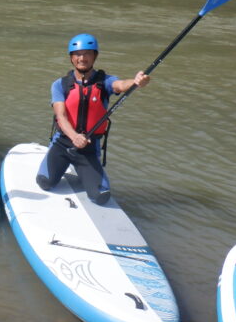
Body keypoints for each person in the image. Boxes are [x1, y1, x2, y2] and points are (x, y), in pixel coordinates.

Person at [35, 33, 151, 205]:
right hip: (63, 144)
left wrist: (135, 82)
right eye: (77, 54)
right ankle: (59, 162)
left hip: (89, 148)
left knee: (101, 196)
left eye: (87, 53)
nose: (82, 58)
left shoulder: (105, 81)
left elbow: (120, 85)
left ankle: (85, 171)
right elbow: (61, 116)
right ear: (71, 58)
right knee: (45, 183)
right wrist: (74, 137)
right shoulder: (60, 85)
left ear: (94, 56)